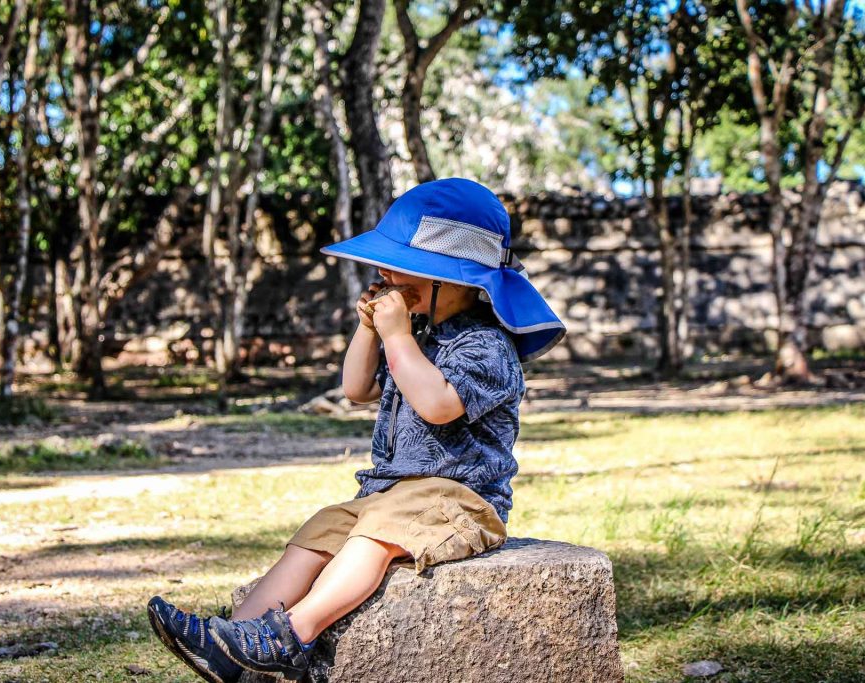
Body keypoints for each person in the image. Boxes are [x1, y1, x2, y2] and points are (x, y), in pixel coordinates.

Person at [146, 178, 566, 682]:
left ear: (457, 278)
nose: (386, 275)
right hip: (390, 492)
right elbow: (356, 388)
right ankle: (232, 643)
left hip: (461, 501)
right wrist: (371, 331)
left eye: (406, 268)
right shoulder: (419, 332)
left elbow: (436, 405)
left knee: (375, 534)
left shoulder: (487, 347)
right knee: (320, 532)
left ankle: (290, 635)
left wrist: (395, 335)